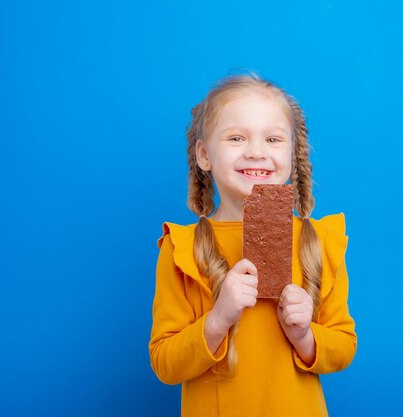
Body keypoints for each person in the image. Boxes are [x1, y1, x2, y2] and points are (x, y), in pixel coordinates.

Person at [149, 73, 357, 417]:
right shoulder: (181, 249)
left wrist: (305, 335)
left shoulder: (320, 243)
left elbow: (345, 346)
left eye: (273, 139)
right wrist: (217, 319)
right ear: (204, 154)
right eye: (236, 138)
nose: (257, 152)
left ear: (293, 154)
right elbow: (164, 363)